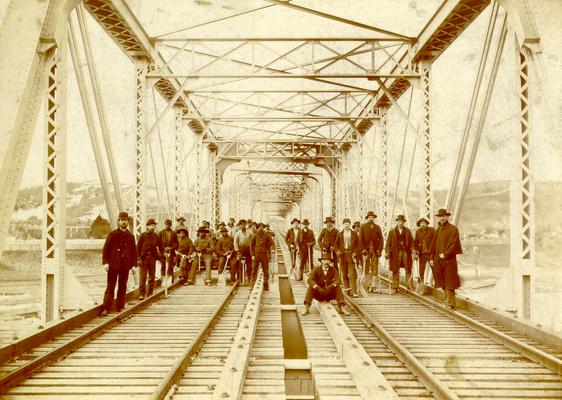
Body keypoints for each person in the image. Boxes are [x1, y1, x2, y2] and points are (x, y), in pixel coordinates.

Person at [101, 211, 137, 316]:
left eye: (125, 220)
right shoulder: (112, 235)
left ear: (128, 222)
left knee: (122, 286)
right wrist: (105, 263)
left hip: (125, 265)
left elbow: (134, 251)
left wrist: (134, 265)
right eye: (121, 220)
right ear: (118, 221)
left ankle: (119, 307)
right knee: (110, 286)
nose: (123, 222)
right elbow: (105, 250)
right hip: (113, 265)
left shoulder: (131, 236)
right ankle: (106, 308)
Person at [429, 208, 463, 309]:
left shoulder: (453, 229)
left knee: (450, 282)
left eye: (443, 216)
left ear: (447, 216)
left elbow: (454, 244)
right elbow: (433, 244)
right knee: (442, 281)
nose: (442, 218)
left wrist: (446, 254)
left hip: (449, 260)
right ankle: (447, 300)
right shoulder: (438, 229)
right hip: (438, 260)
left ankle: (451, 303)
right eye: (440, 217)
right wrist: (431, 257)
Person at [385, 215, 414, 294]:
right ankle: (395, 287)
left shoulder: (407, 231)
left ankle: (409, 287)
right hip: (395, 253)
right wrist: (387, 252)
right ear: (397, 222)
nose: (400, 223)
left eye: (402, 221)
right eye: (399, 221)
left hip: (406, 252)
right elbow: (388, 244)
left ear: (404, 222)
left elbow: (412, 242)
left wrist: (413, 250)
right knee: (395, 270)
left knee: (408, 269)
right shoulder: (392, 231)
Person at [137, 219, 163, 299]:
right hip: (144, 258)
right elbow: (137, 248)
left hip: (152, 258)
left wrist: (164, 253)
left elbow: (160, 246)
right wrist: (138, 259)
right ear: (147, 226)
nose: (152, 227)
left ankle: (150, 293)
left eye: (154, 226)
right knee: (143, 276)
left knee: (152, 276)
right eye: (151, 225)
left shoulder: (156, 236)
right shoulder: (142, 235)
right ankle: (141, 294)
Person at [359, 211, 384, 292]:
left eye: (372, 217)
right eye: (369, 217)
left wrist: (379, 250)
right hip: (366, 250)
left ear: (374, 218)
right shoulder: (363, 227)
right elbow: (360, 240)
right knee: (366, 268)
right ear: (367, 218)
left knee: (374, 268)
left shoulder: (377, 227)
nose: (371, 218)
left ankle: (373, 286)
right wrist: (363, 249)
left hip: (375, 250)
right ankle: (367, 285)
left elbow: (381, 240)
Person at [334, 218, 360, 297]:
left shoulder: (354, 234)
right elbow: (336, 245)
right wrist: (338, 251)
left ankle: (354, 291)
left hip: (351, 255)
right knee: (344, 274)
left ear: (350, 225)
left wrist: (355, 252)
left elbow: (358, 245)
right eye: (345, 224)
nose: (347, 226)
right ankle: (347, 290)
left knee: (352, 274)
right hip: (343, 255)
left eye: (348, 224)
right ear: (343, 225)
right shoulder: (340, 234)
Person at [413, 217, 436, 292]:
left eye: (424, 223)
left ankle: (437, 285)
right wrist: (415, 252)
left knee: (435, 269)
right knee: (421, 271)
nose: (423, 224)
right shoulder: (418, 231)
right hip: (422, 254)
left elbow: (436, 240)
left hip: (431, 254)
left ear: (426, 224)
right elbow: (415, 242)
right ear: (419, 224)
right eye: (421, 223)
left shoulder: (432, 230)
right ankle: (420, 287)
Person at [250, 222, 273, 290]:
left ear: (263, 228)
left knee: (265, 270)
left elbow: (271, 242)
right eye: (259, 227)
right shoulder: (254, 236)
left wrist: (266, 247)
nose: (261, 228)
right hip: (256, 255)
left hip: (264, 255)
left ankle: (266, 285)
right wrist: (252, 255)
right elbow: (251, 246)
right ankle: (252, 285)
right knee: (254, 270)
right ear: (257, 228)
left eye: (262, 227)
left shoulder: (267, 235)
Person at [159, 219, 178, 285]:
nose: (167, 226)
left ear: (170, 225)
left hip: (171, 253)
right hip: (163, 253)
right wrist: (164, 248)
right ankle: (163, 281)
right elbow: (158, 243)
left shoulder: (173, 233)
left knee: (170, 266)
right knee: (163, 266)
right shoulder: (161, 233)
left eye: (168, 224)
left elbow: (176, 244)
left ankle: (170, 281)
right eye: (165, 224)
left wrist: (171, 248)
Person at [234, 219, 253, 283]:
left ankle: (250, 278)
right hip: (240, 250)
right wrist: (237, 251)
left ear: (246, 225)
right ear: (240, 226)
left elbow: (253, 241)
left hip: (248, 250)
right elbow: (235, 243)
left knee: (249, 265)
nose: (243, 226)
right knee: (239, 265)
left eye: (244, 224)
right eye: (241, 225)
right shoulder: (237, 233)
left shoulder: (250, 232)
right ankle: (240, 278)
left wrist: (252, 250)